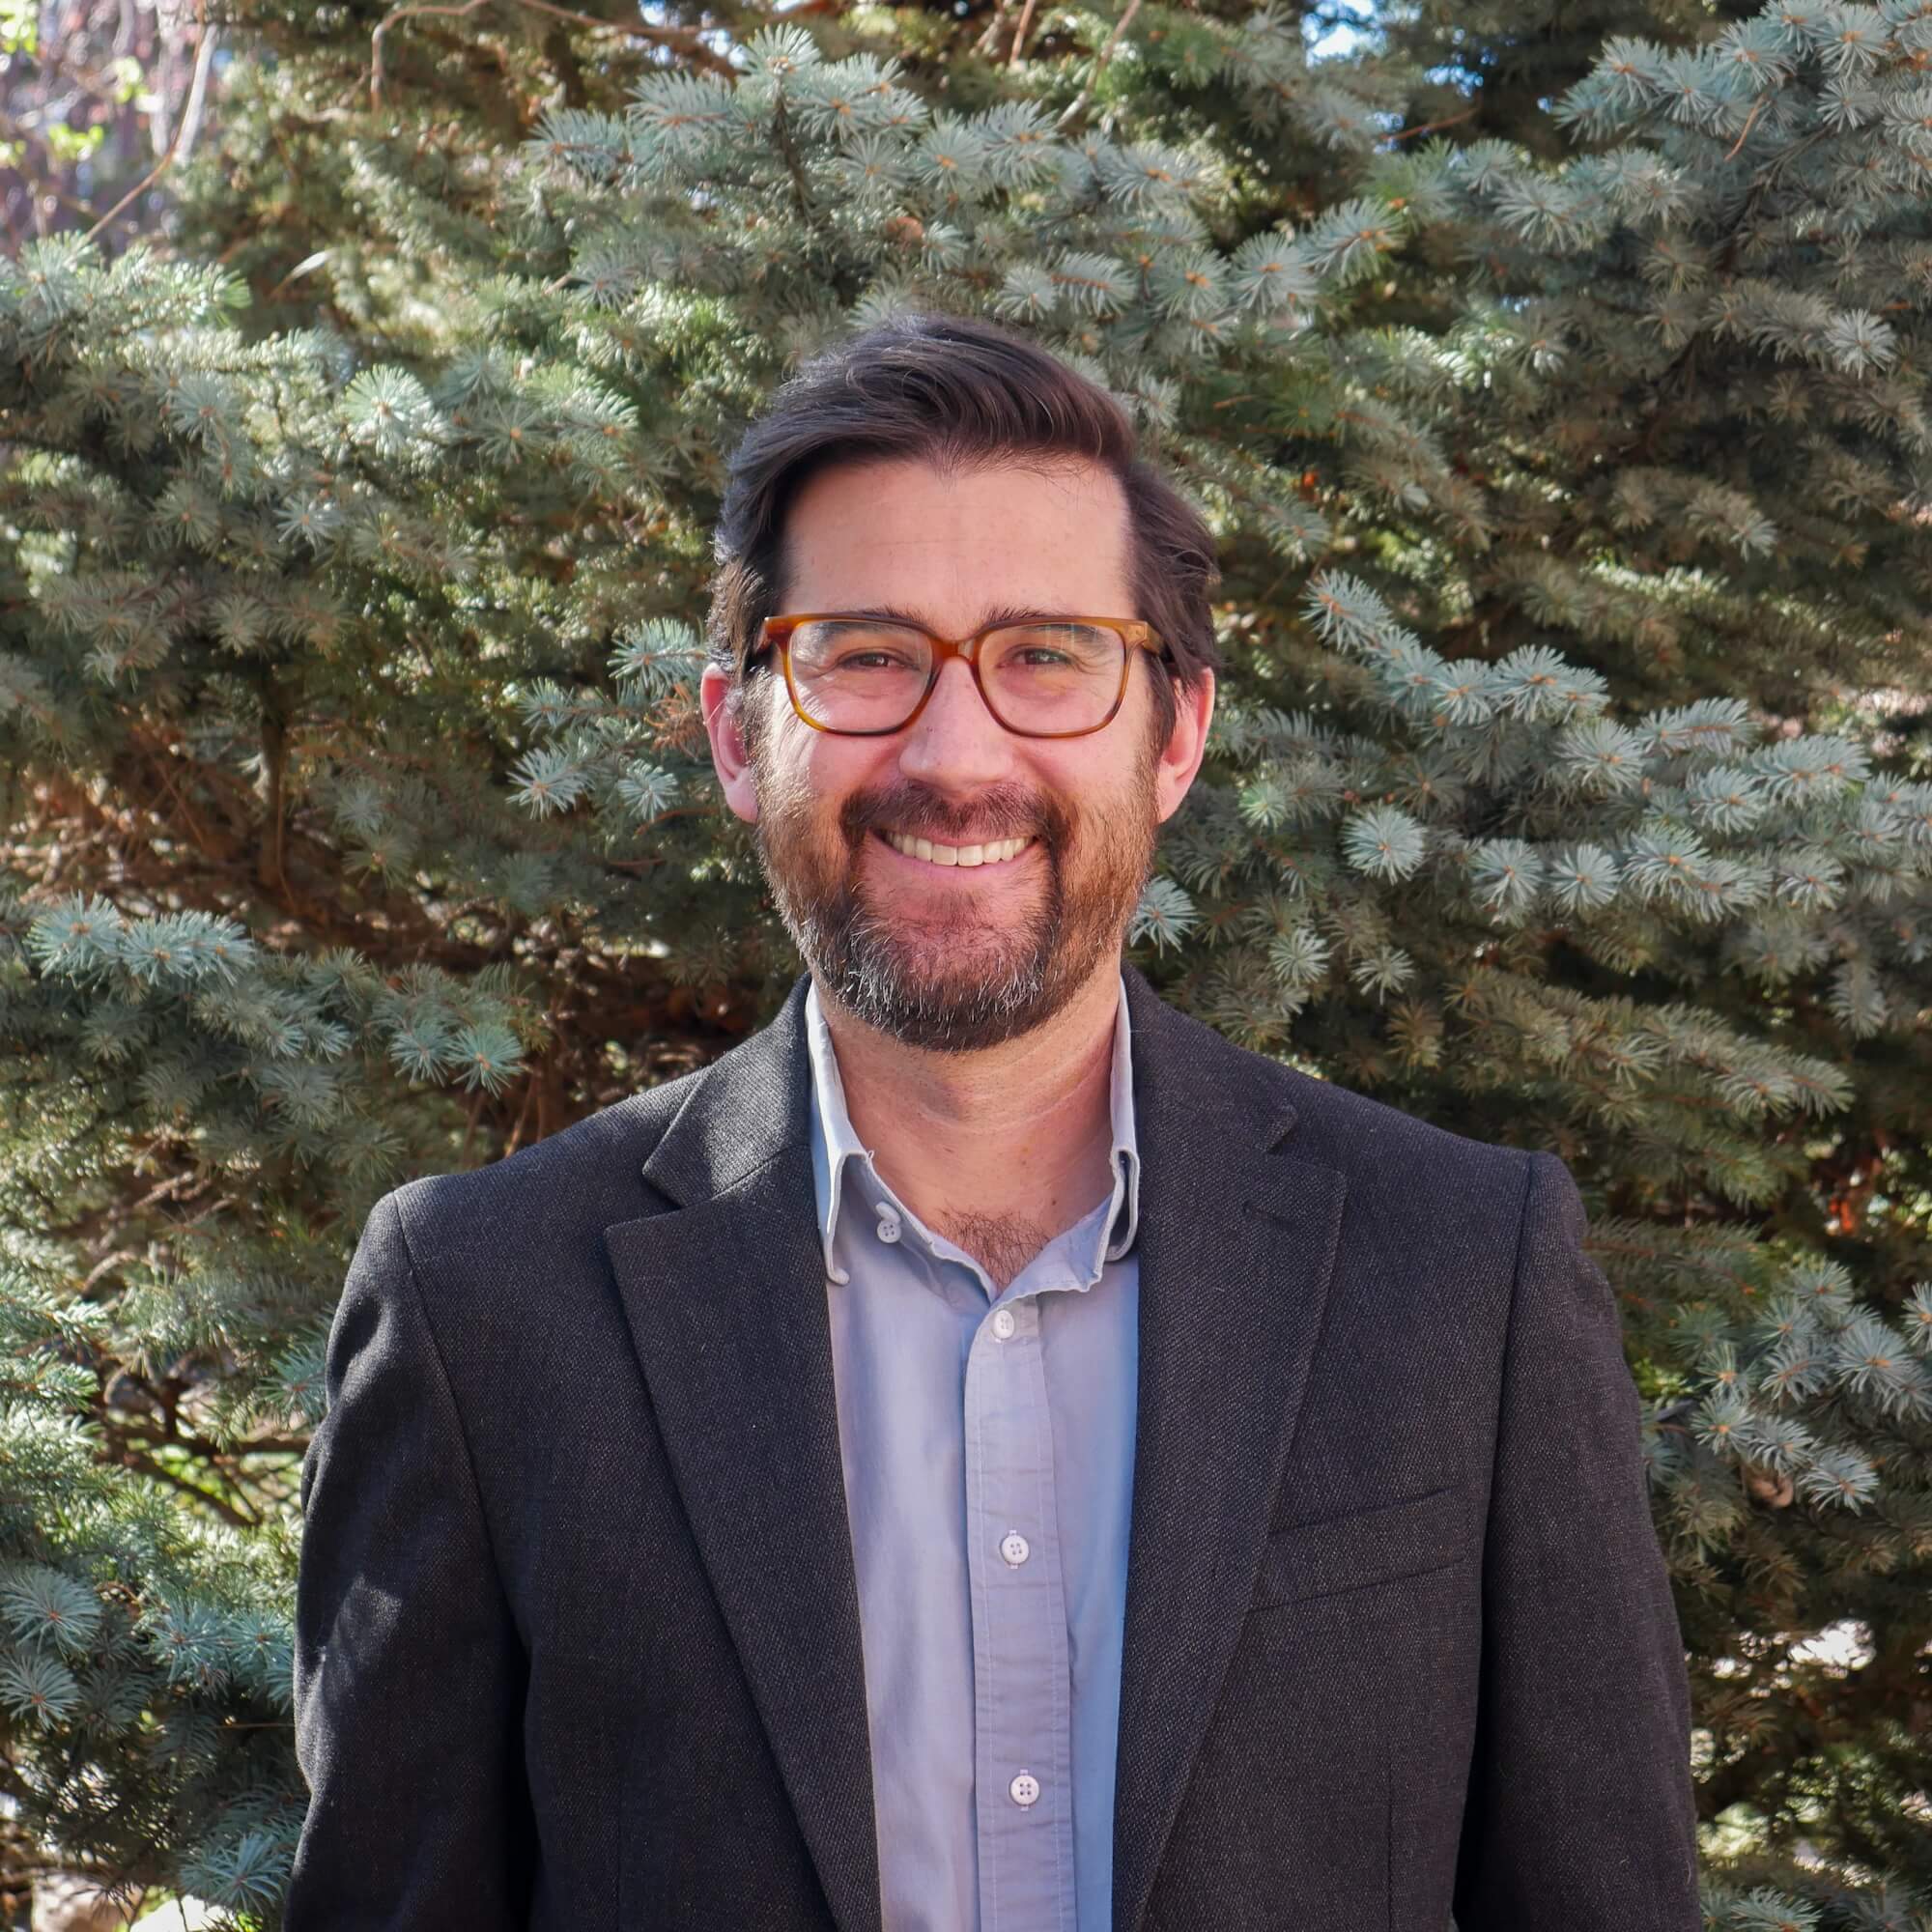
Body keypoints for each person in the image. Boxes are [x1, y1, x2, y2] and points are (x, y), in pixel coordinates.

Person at [288, 312, 1701, 1931]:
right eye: (868, 656)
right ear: (740, 736)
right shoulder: (483, 1304)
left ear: (1172, 734)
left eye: (1047, 656)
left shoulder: (1464, 1273)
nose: (958, 756)